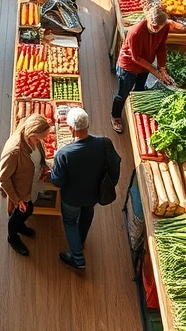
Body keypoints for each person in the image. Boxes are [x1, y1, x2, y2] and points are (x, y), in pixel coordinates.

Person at [50, 107, 121, 270]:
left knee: (69, 222)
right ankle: (80, 240)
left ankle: (77, 258)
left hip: (72, 198)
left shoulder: (64, 154)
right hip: (94, 194)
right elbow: (115, 163)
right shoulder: (105, 143)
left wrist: (51, 173)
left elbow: (58, 182)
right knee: (87, 213)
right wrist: (111, 184)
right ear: (88, 125)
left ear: (70, 129)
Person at [111, 4, 173, 134]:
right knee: (123, 93)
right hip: (129, 66)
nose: (155, 29)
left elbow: (161, 47)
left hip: (145, 65)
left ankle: (138, 117)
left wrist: (162, 68)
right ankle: (115, 116)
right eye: (153, 25)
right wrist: (154, 71)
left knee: (140, 90)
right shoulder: (135, 32)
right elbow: (136, 58)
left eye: (159, 27)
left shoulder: (165, 27)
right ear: (148, 18)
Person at [0, 114, 51, 257]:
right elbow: (3, 178)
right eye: (41, 137)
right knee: (22, 212)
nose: (43, 140)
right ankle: (12, 236)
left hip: (29, 185)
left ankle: (20, 226)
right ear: (33, 134)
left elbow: (39, 153)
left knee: (28, 210)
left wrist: (43, 165)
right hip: (20, 191)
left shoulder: (32, 140)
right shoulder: (14, 151)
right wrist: (17, 200)